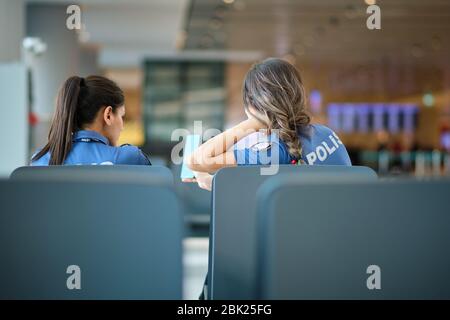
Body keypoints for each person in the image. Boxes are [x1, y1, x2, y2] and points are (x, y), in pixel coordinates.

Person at [186, 57, 351, 191]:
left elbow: (197, 159)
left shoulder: (274, 151)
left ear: (251, 104)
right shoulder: (326, 133)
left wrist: (253, 123)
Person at [31, 75, 151, 166]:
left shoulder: (41, 160)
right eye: (121, 116)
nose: (122, 127)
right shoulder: (130, 158)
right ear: (108, 115)